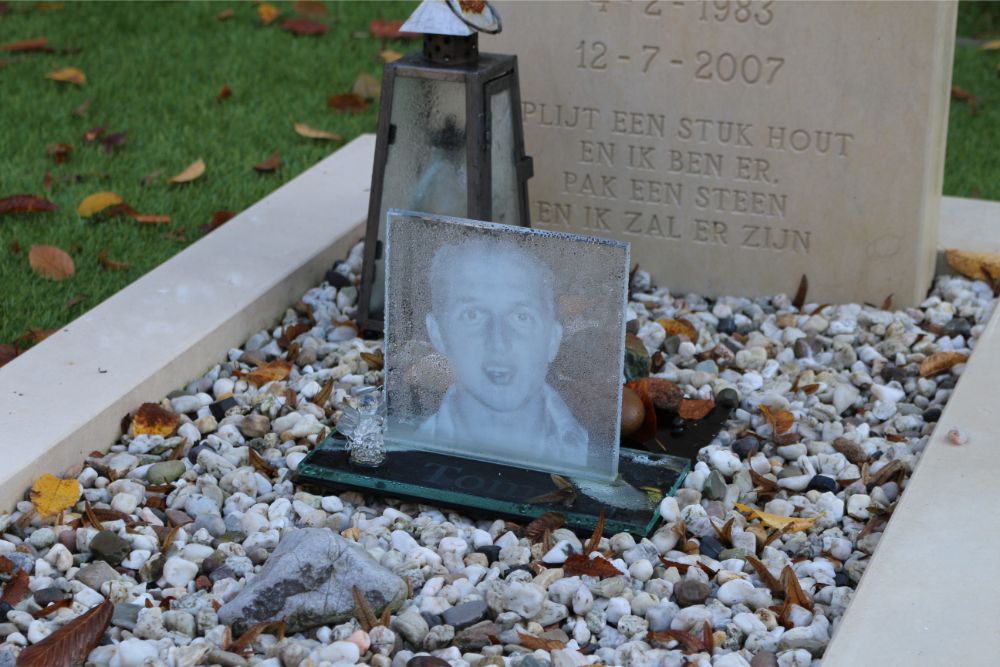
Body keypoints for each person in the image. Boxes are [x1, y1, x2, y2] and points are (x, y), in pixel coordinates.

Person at [416, 239, 589, 463]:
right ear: (438, 333)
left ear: (553, 339)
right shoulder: (415, 449)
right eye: (473, 315)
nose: (499, 342)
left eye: (521, 317)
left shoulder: (589, 453)